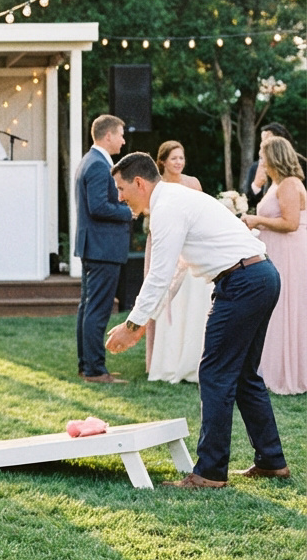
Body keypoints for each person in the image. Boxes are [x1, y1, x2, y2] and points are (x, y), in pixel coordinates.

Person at [106, 152, 289, 488]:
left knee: (215, 372)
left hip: (243, 282)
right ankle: (271, 461)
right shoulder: (177, 199)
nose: (118, 197)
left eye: (120, 188)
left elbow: (159, 273)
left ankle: (210, 472)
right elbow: (176, 271)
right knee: (244, 375)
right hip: (260, 275)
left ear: (139, 183)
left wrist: (131, 325)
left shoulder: (167, 207)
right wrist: (143, 323)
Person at [242, 136, 307, 395]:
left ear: (275, 156)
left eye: (263, 153)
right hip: (277, 250)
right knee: (275, 309)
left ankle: (289, 372)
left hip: (290, 253)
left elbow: (291, 223)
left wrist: (257, 220)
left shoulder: (290, 184)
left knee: (287, 308)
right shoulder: (276, 183)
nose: (260, 158)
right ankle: (271, 368)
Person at [145, 140, 210, 384]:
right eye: (174, 158)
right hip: (167, 248)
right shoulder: (157, 186)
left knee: (191, 305)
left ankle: (192, 360)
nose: (179, 162)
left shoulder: (193, 183)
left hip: (191, 251)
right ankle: (167, 361)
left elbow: (203, 214)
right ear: (162, 161)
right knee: (168, 300)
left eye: (181, 158)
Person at [73, 114, 132, 384]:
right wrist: (127, 211)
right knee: (97, 310)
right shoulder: (98, 165)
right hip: (102, 247)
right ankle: (95, 370)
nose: (123, 140)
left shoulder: (91, 160)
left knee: (88, 308)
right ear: (107, 136)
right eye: (120, 134)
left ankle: (88, 366)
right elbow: (98, 207)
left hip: (95, 246)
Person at [243, 123, 294, 209]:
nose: (263, 146)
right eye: (262, 141)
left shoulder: (298, 167)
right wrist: (256, 186)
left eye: (268, 143)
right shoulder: (255, 168)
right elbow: (248, 203)